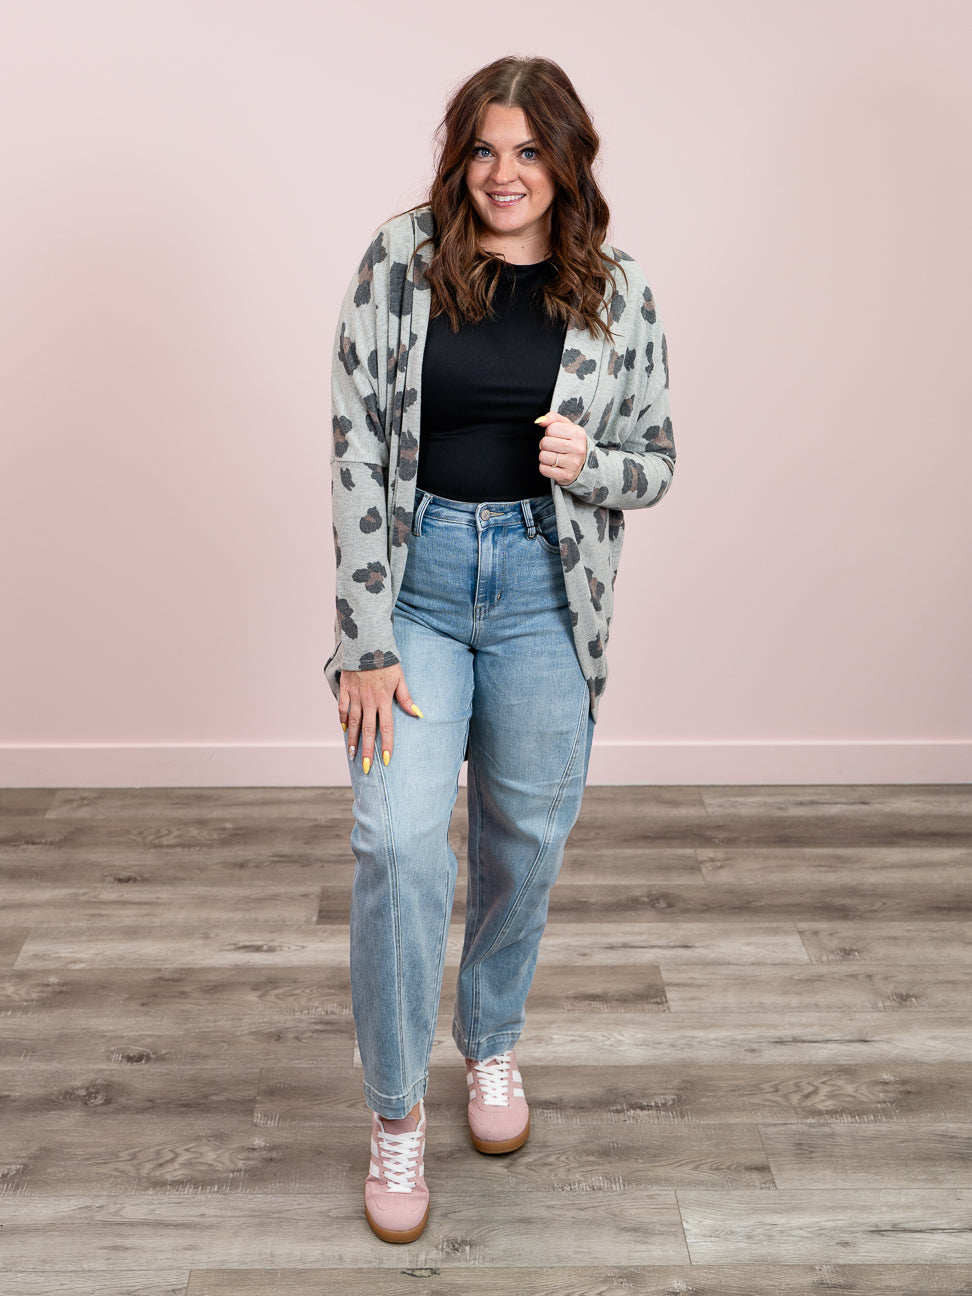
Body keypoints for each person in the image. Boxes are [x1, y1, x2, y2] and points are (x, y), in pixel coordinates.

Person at [326, 55, 675, 1243]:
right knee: (395, 843)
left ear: (565, 162)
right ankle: (394, 1112)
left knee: (525, 842)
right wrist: (363, 638)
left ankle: (491, 1042)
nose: (504, 173)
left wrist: (595, 464)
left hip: (546, 596)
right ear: (458, 155)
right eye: (483, 148)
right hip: (416, 590)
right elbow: (354, 448)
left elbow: (658, 461)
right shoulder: (400, 261)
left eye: (529, 151)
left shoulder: (617, 292)